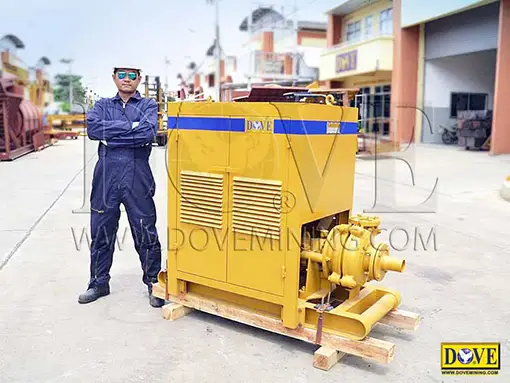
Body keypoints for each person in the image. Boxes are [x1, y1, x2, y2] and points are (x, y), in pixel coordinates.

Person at [78, 65, 166, 308]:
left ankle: (153, 283)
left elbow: (148, 132)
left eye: (132, 76)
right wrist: (130, 127)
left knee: (144, 228)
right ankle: (98, 282)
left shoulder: (148, 105)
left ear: (139, 79)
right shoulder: (102, 105)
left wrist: (113, 134)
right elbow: (94, 130)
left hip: (138, 172)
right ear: (114, 78)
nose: (127, 80)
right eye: (122, 75)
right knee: (101, 229)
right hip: (106, 174)